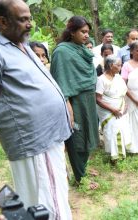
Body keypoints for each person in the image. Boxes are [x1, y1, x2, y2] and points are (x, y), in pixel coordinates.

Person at [0, 0, 72, 219]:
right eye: (23, 19)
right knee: (47, 200)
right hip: (33, 141)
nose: (30, 24)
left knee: (50, 194)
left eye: (29, 18)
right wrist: (0, 119)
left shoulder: (23, 46)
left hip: (49, 137)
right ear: (3, 22)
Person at [50, 16, 99, 184]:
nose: (86, 35)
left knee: (88, 136)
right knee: (77, 139)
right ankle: (80, 178)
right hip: (74, 102)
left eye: (87, 32)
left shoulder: (81, 49)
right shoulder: (62, 52)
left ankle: (82, 169)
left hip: (88, 100)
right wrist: (69, 108)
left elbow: (90, 76)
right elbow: (61, 83)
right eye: (82, 31)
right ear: (72, 32)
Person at [96, 55, 131, 164]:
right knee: (112, 131)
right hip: (108, 111)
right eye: (119, 65)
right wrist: (113, 110)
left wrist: (124, 106)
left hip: (120, 108)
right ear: (111, 66)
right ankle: (114, 157)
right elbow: (98, 99)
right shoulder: (101, 80)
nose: (121, 67)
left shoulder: (118, 77)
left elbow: (124, 93)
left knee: (120, 129)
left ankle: (122, 154)